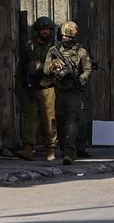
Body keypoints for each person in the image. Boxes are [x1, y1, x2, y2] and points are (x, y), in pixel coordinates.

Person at [49, 21, 93, 166]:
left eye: (69, 37)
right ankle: (63, 148)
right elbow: (45, 69)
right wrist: (54, 66)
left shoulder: (81, 52)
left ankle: (69, 152)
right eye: (64, 36)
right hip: (58, 91)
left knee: (72, 121)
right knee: (60, 121)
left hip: (73, 91)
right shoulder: (54, 51)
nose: (66, 39)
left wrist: (81, 79)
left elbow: (87, 69)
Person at [17, 16, 59, 162]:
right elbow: (22, 67)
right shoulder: (29, 46)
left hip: (48, 87)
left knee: (49, 119)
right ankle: (28, 148)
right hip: (31, 87)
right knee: (30, 118)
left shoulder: (55, 47)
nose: (45, 32)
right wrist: (20, 85)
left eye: (47, 29)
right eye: (42, 29)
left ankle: (50, 149)